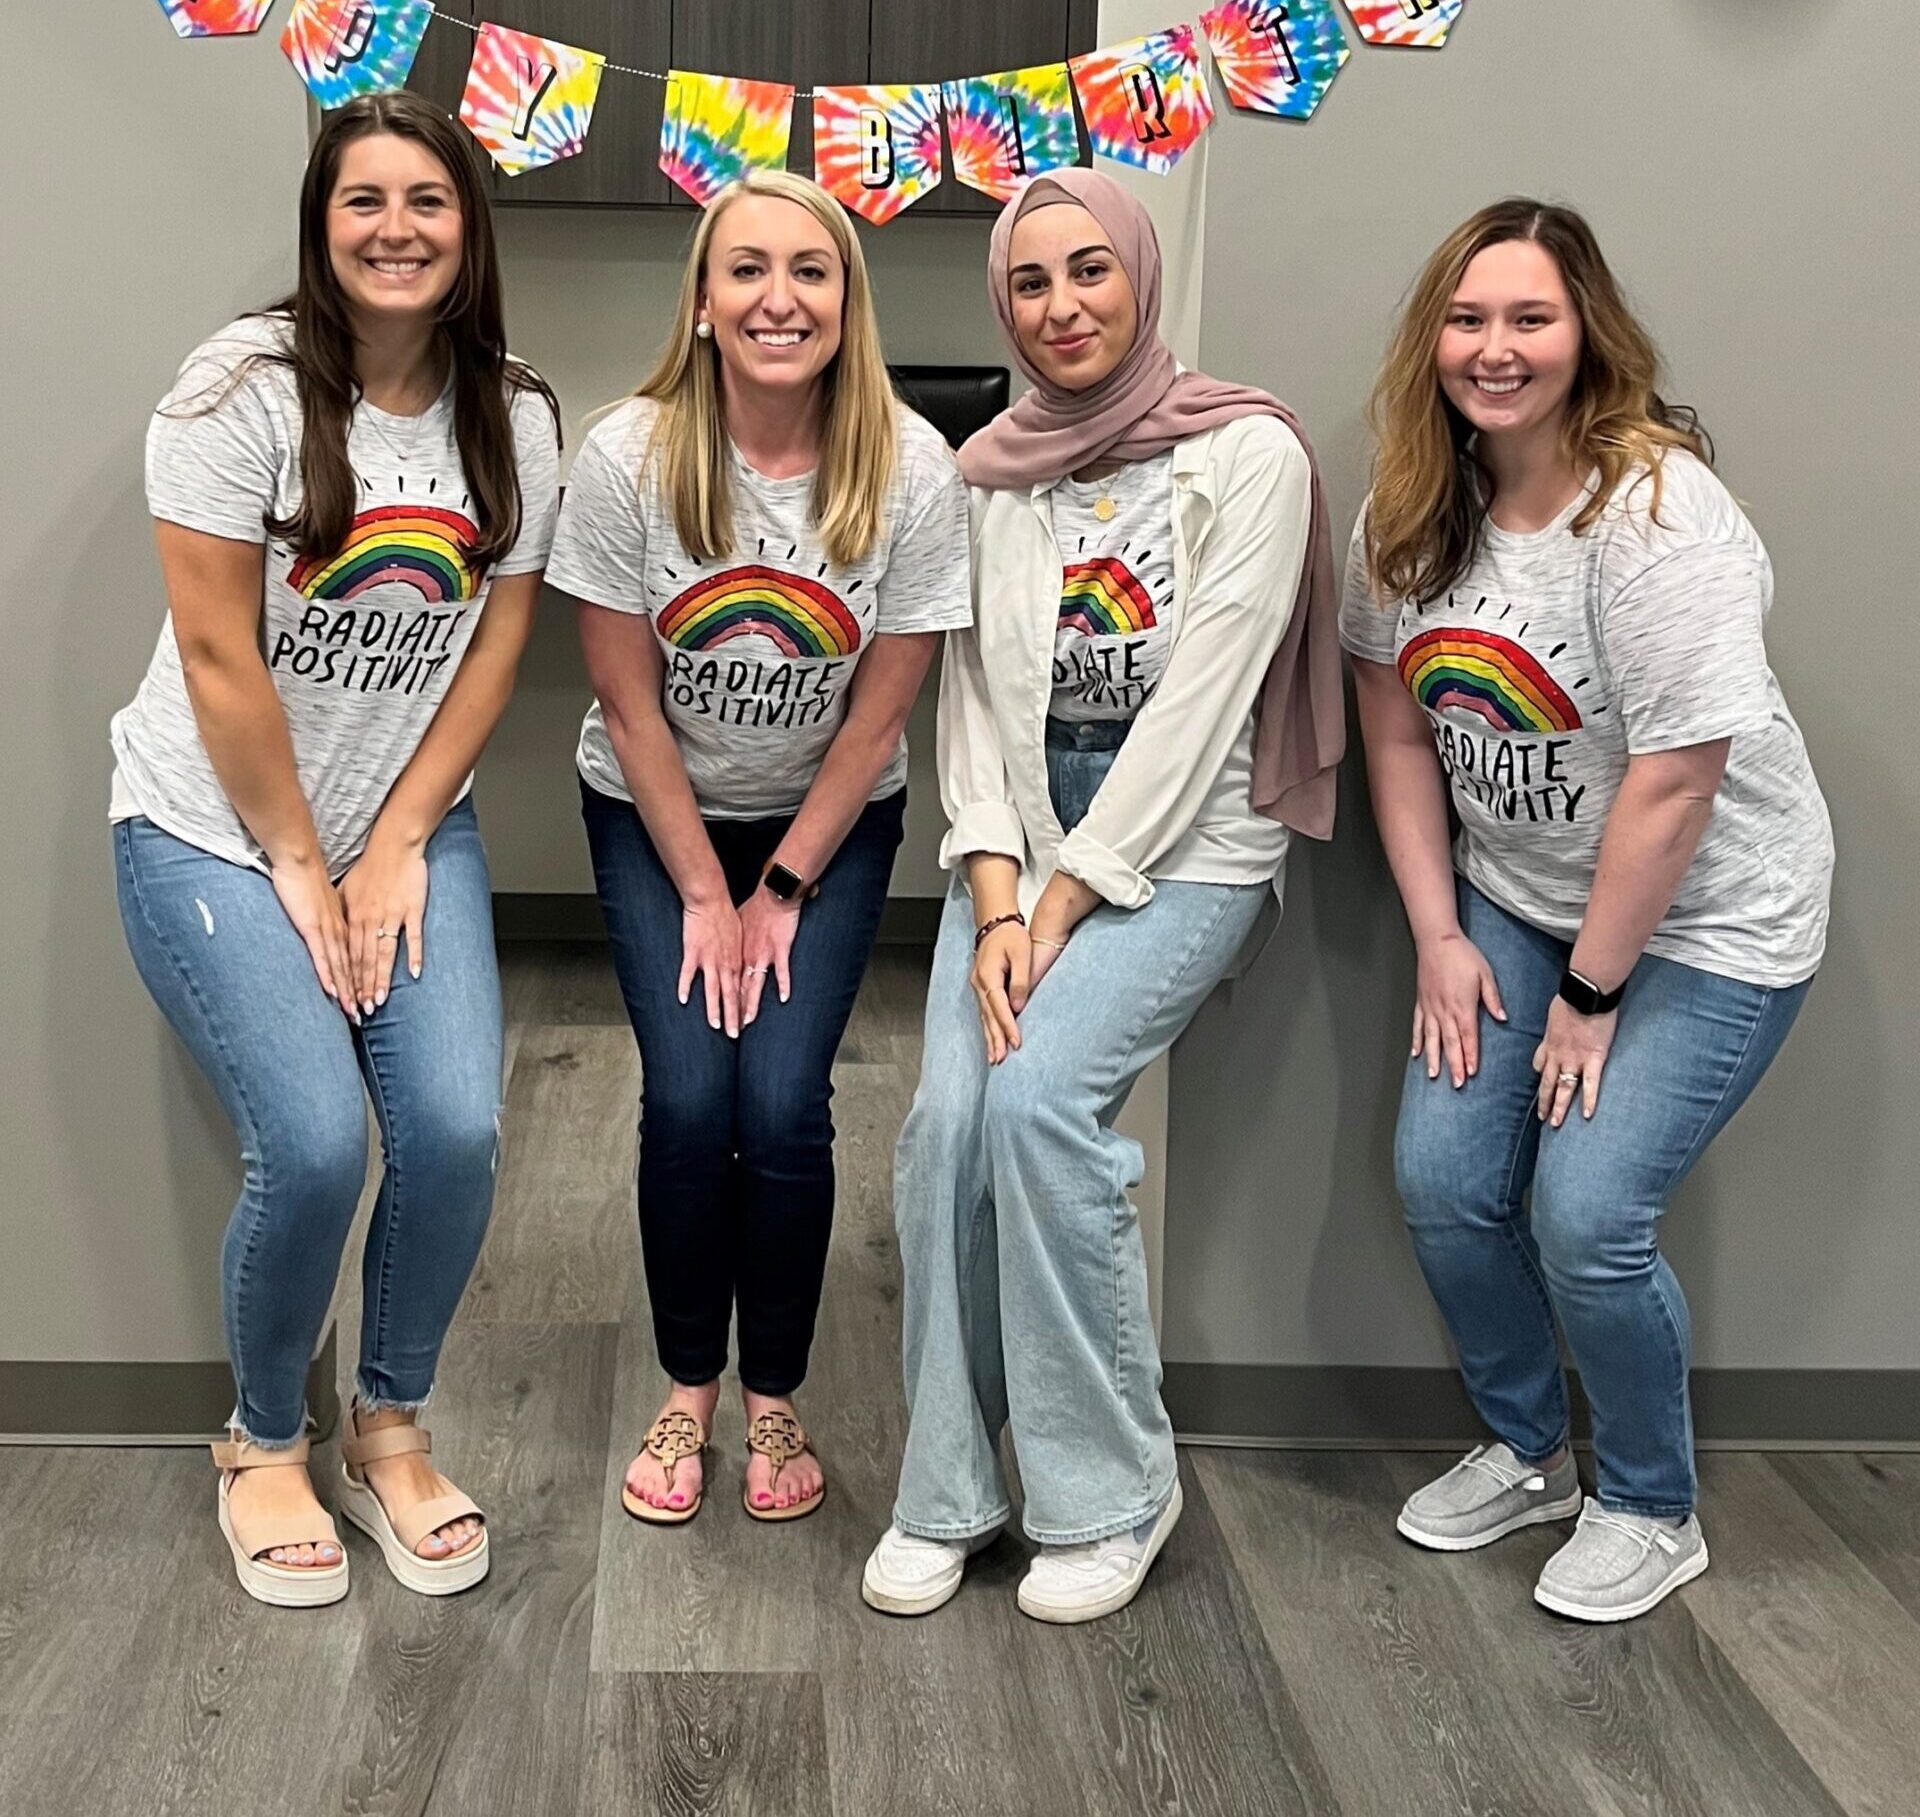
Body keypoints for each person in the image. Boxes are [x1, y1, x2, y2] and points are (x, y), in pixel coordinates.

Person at [863, 169, 1344, 1625]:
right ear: (1001, 303)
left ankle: (1114, 1488)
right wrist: (997, 888)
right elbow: (974, 706)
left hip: (1191, 840)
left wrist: (1066, 899)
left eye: (1089, 272)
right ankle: (947, 1489)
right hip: (1020, 839)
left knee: (1038, 1104)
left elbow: (1205, 704)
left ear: (1138, 277)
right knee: (948, 1121)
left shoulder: (1250, 451)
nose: (1062, 306)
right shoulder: (987, 471)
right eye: (1029, 283)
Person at [1342, 199, 1833, 1621]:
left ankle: (1650, 1499)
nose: (1496, 349)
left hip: (1708, 921)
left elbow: (1679, 783)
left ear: (1587, 335)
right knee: (1443, 1180)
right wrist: (1439, 932)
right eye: (1469, 318)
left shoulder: (1659, 513)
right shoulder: (1413, 506)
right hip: (1516, 897)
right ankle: (1524, 1447)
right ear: (1434, 339)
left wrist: (1593, 996)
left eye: (1530, 318)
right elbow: (1391, 723)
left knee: (1589, 1214)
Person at [111, 92, 561, 1605]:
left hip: (402, 827)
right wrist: (304, 856)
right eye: (363, 199)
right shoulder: (235, 388)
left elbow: (493, 657)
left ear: (468, 226)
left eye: (428, 200)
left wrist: (403, 837)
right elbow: (218, 655)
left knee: (450, 1130)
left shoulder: (518, 410)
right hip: (209, 829)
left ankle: (387, 1422)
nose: (396, 229)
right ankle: (257, 1441)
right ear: (321, 223)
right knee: (310, 1146)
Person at [548, 171, 970, 1527]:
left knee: (780, 1106)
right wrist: (701, 892)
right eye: (747, 270)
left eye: (811, 270)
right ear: (705, 299)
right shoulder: (625, 455)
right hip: (649, 809)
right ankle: (686, 1386)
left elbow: (882, 712)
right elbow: (624, 698)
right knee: (688, 1099)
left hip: (830, 824)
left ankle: (773, 1391)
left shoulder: (912, 466)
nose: (778, 297)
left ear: (849, 303)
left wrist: (780, 883)